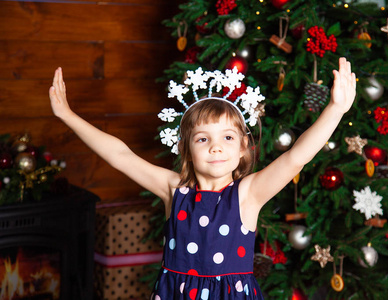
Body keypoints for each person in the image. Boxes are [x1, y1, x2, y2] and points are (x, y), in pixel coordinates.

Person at [49, 57, 356, 299]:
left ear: (243, 150)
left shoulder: (247, 194)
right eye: (202, 139)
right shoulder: (174, 190)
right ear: (186, 149)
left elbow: (295, 157)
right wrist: (67, 115)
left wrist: (335, 109)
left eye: (227, 137)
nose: (216, 146)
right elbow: (121, 156)